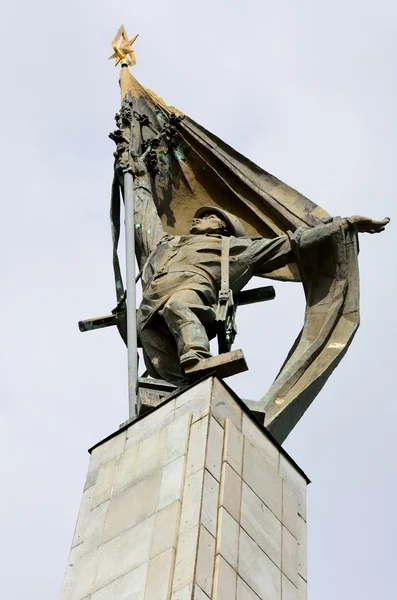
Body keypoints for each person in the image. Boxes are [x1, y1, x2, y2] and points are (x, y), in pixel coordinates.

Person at [130, 159, 389, 386]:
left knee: (178, 305)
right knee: (153, 345)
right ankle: (175, 390)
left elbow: (290, 243)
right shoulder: (168, 244)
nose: (197, 219)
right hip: (150, 306)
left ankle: (197, 356)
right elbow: (145, 220)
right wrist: (140, 178)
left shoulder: (234, 248)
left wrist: (344, 225)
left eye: (207, 217)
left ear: (222, 227)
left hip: (190, 291)